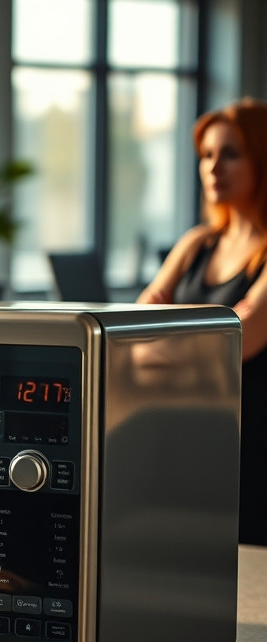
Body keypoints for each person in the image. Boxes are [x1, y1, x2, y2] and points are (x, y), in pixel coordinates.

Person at [137, 98, 267, 545]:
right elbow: (131, 335)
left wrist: (164, 339)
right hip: (183, 435)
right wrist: (199, 345)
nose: (213, 168)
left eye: (231, 154)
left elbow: (238, 344)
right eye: (207, 155)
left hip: (247, 450)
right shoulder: (196, 244)